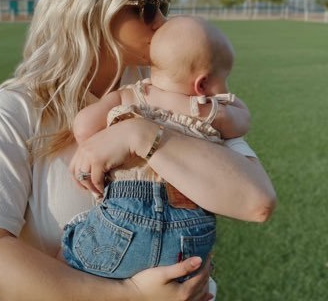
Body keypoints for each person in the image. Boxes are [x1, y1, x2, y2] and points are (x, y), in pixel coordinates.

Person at [0, 0, 276, 301]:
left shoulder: (173, 90)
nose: (162, 21)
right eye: (147, 6)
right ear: (91, 9)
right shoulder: (13, 112)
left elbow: (257, 201)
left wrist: (141, 135)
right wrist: (131, 295)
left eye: (164, 3)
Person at [62, 15, 254, 290]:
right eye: (225, 79)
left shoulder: (129, 96)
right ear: (201, 85)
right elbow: (242, 121)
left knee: (71, 241)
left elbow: (83, 126)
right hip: (189, 233)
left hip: (122, 220)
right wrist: (211, 107)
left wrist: (94, 146)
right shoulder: (209, 110)